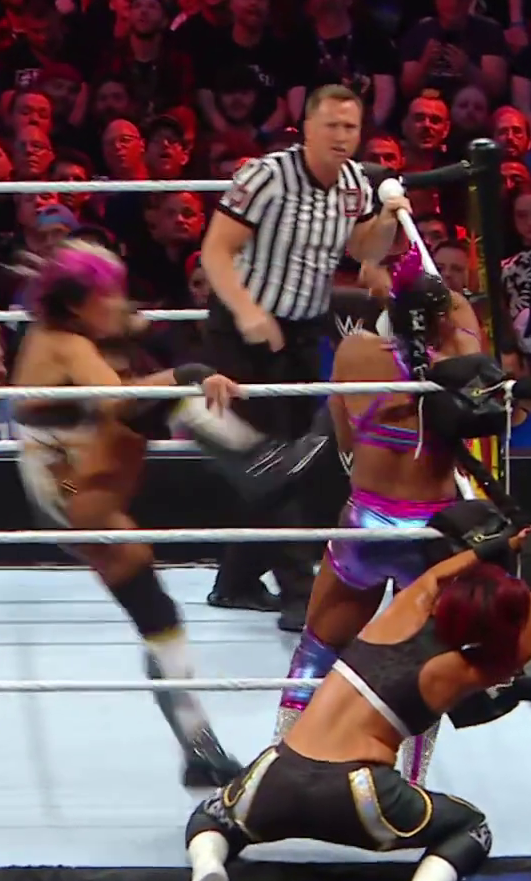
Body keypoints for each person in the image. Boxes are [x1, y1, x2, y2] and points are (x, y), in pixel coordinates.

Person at [167, 515, 531, 881]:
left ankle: (209, 868)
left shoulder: (398, 617)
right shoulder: (462, 671)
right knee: (471, 828)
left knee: (212, 816)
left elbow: (436, 576)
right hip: (360, 796)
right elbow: (528, 643)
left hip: (275, 775)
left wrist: (501, 546)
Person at [12, 239, 248, 789]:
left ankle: (198, 748)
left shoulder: (69, 336)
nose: (120, 302)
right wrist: (187, 373)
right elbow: (117, 400)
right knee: (159, 400)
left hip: (72, 482)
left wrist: (152, 349)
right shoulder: (64, 343)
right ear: (78, 305)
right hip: (67, 488)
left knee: (156, 612)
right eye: (109, 294)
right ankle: (261, 466)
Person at [199, 83, 413, 628]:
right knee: (271, 461)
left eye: (351, 127)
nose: (342, 136)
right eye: (332, 126)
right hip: (241, 329)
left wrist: (388, 220)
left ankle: (236, 582)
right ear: (308, 127)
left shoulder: (353, 184)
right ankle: (299, 593)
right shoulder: (266, 176)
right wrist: (247, 310)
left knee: (289, 460)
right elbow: (215, 250)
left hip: (300, 332)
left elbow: (362, 249)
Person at [273, 270, 486, 786]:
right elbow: (465, 327)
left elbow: (344, 433)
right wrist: (447, 311)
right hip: (429, 532)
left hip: (367, 521)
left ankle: (277, 773)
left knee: (316, 651)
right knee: (423, 666)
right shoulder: (460, 362)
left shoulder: (356, 352)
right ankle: (410, 789)